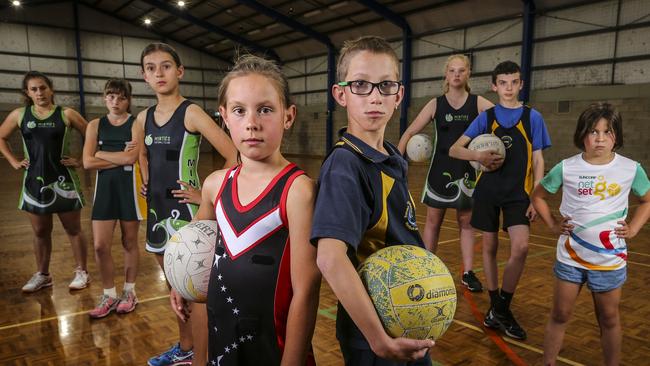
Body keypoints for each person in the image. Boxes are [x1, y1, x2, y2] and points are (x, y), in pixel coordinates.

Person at [170, 54, 321, 365]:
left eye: (265, 110)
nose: (252, 123)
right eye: (239, 111)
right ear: (224, 116)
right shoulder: (214, 186)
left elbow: (306, 293)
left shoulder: (298, 190)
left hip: (273, 348)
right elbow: (197, 270)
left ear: (288, 116)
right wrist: (180, 280)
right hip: (222, 342)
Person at [312, 36, 435, 365]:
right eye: (361, 85)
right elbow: (330, 259)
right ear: (341, 94)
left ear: (399, 94)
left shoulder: (389, 155)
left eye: (385, 86)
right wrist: (378, 340)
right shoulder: (346, 165)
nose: (375, 97)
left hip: (403, 318)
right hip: (378, 334)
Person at [136, 43, 238, 366]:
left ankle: (202, 358)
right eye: (151, 68)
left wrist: (205, 192)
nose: (159, 73)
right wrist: (146, 180)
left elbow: (234, 154)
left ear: (179, 71)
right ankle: (186, 347)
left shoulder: (190, 113)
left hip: (187, 216)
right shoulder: (142, 118)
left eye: (166, 66)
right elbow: (143, 154)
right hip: (156, 214)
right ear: (144, 76)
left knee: (196, 294)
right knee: (175, 291)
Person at [531, 103, 650, 366]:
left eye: (607, 132)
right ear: (581, 134)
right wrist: (552, 225)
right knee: (560, 314)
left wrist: (634, 228)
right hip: (570, 257)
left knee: (608, 319)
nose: (600, 138)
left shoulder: (630, 169)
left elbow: (647, 200)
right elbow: (538, 196)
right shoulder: (567, 167)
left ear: (616, 136)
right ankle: (547, 362)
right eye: (593, 132)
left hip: (609, 260)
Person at [449, 60, 551, 340]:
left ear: (521, 84)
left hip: (519, 194)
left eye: (514, 82)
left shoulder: (533, 118)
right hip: (488, 192)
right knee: (490, 248)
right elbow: (455, 149)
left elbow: (539, 159)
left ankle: (501, 308)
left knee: (521, 247)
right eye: (503, 83)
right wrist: (478, 156)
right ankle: (497, 308)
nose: (508, 88)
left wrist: (537, 196)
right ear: (495, 86)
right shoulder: (487, 117)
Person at [397, 54, 493, 292]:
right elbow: (409, 132)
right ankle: (428, 268)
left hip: (468, 172)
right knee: (433, 221)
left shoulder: (478, 103)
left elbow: (504, 118)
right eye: (452, 70)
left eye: (461, 70)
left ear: (468, 73)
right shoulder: (436, 104)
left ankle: (468, 273)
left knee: (466, 223)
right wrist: (396, 162)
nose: (457, 75)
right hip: (440, 171)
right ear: (446, 75)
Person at [0, 71, 90, 293]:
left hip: (64, 182)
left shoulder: (66, 114)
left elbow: (92, 134)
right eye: (34, 89)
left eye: (43, 88)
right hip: (34, 183)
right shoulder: (20, 115)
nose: (39, 92)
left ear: (51, 89)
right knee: (40, 231)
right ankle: (43, 275)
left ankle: (82, 272)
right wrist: (12, 161)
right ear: (27, 93)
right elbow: (0, 136)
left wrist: (80, 160)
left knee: (73, 229)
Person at [82, 79, 145, 318]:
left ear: (128, 100)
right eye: (111, 97)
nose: (115, 102)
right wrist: (118, 155)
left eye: (121, 97)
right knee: (100, 246)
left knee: (129, 242)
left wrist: (100, 153)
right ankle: (109, 294)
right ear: (104, 98)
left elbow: (131, 160)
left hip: (129, 188)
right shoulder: (94, 125)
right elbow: (87, 162)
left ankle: (129, 292)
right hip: (105, 191)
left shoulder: (136, 123)